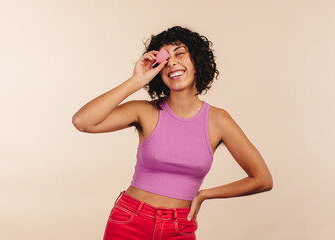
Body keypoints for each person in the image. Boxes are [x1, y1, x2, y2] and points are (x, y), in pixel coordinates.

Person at [72, 25, 273, 240]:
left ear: (197, 60)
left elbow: (262, 179)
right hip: (130, 220)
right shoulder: (144, 111)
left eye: (180, 53)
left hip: (179, 227)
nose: (172, 62)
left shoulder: (218, 120)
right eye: (165, 58)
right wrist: (136, 81)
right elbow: (83, 122)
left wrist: (204, 195)